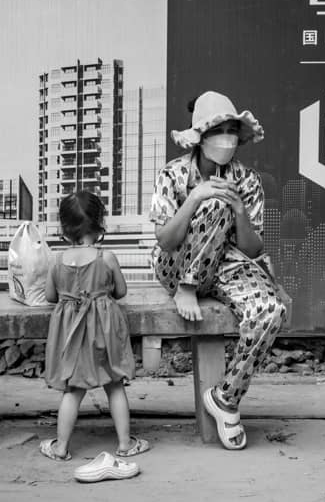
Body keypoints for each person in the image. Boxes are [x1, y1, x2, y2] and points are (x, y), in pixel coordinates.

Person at [149, 90, 289, 450]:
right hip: (175, 265)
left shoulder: (248, 179)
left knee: (271, 310)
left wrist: (240, 211)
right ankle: (188, 286)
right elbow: (165, 240)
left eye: (231, 129)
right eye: (218, 129)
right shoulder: (173, 174)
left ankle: (226, 399)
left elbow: (253, 249)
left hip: (225, 262)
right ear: (200, 136)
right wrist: (196, 197)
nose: (226, 137)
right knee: (212, 202)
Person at [39, 190, 149, 467]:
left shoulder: (56, 261)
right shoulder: (106, 258)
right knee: (114, 385)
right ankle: (125, 445)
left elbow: (51, 297)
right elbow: (121, 292)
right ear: (100, 226)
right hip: (104, 330)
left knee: (72, 391)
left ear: (64, 229)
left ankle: (61, 447)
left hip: (72, 334)